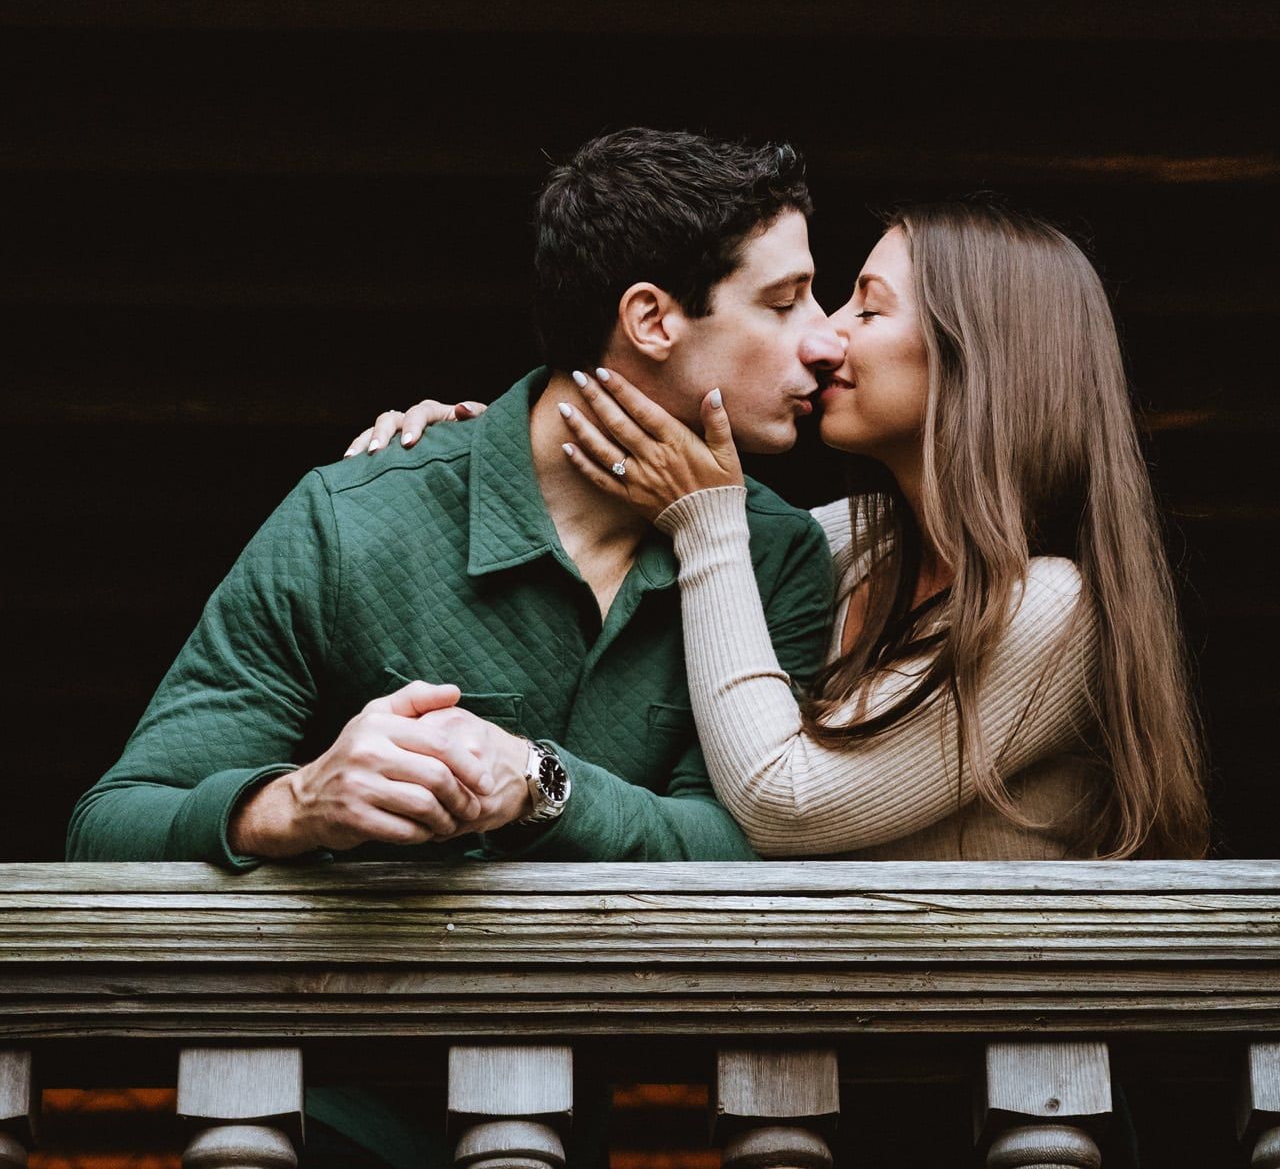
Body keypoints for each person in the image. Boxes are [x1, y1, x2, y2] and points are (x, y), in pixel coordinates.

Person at [65, 127, 844, 1169]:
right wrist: (295, 803)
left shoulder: (779, 556)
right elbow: (109, 828)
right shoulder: (352, 518)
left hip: (590, 1134)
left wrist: (542, 785)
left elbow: (742, 850)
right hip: (309, 1132)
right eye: (784, 300)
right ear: (650, 317)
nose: (826, 341)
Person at [352, 200, 1210, 861]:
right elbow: (685, 556)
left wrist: (710, 521)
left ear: (976, 358)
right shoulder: (845, 546)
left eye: (866, 312)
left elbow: (780, 802)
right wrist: (494, 450)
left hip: (990, 1080)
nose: (826, 337)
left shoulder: (1053, 609)